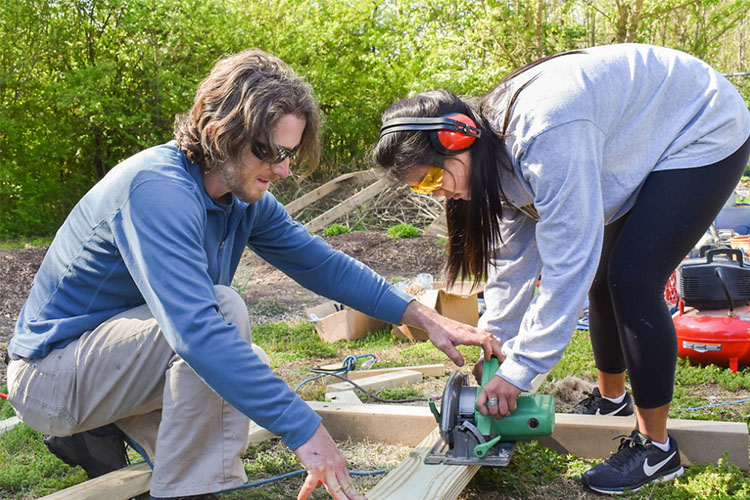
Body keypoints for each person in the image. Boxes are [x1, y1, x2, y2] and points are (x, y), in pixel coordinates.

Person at [4, 49, 503, 500]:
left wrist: (423, 316)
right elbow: (196, 331)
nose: (283, 169)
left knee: (246, 358)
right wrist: (307, 432)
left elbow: (319, 262)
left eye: (289, 153)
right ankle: (180, 488)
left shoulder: (243, 197)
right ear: (221, 135)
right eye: (270, 152)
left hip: (110, 366)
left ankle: (110, 434)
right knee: (224, 316)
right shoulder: (156, 191)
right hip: (49, 379)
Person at [372, 43, 750, 495]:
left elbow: (568, 262)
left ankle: (657, 449)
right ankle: (611, 402)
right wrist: (497, 345)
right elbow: (511, 263)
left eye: (434, 179)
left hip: (700, 124)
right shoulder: (495, 156)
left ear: (458, 138)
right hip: (640, 132)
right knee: (603, 277)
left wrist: (521, 371)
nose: (437, 194)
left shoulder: (544, 135)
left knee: (631, 279)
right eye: (423, 189)